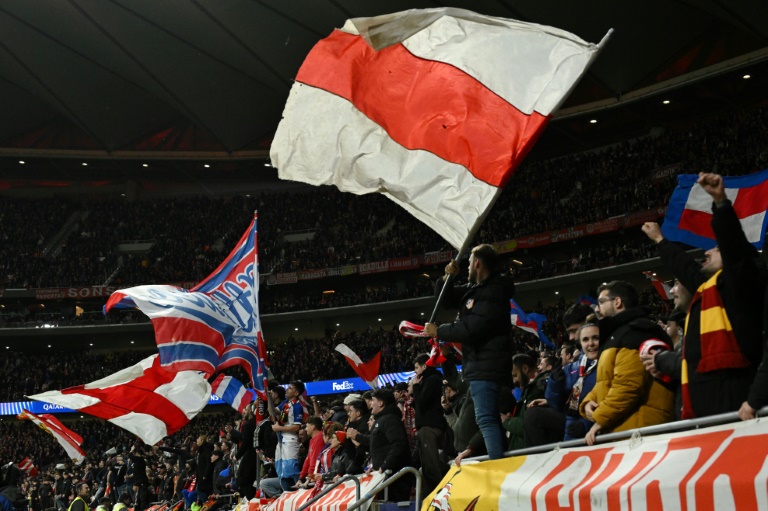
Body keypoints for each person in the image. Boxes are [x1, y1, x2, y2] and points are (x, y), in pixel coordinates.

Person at [642, 172, 766, 419]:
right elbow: (685, 268)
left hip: (734, 396)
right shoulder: (709, 288)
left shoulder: (741, 285)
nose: (708, 251)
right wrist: (660, 240)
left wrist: (721, 204)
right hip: (700, 401)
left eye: (716, 248)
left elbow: (734, 248)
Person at [424, 244, 516, 460]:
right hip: (480, 365)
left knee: (486, 419)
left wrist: (440, 330)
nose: (465, 268)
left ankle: (497, 467)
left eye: (468, 263)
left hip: (488, 366)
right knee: (488, 419)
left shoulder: (493, 291)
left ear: (477, 263)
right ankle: (499, 464)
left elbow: (474, 327)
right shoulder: (476, 289)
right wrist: (447, 278)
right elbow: (446, 300)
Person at [580, 281, 675, 445]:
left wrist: (600, 420)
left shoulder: (637, 331)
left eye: (601, 302)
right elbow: (608, 380)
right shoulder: (618, 334)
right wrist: (589, 401)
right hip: (627, 429)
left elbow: (628, 385)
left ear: (617, 302)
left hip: (641, 432)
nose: (597, 309)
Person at [410, 354, 448, 493]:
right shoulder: (432, 379)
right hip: (431, 426)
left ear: (424, 366)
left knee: (431, 467)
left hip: (429, 427)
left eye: (416, 367)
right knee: (429, 466)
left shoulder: (431, 380)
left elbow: (422, 403)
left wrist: (415, 387)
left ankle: (441, 495)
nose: (415, 371)